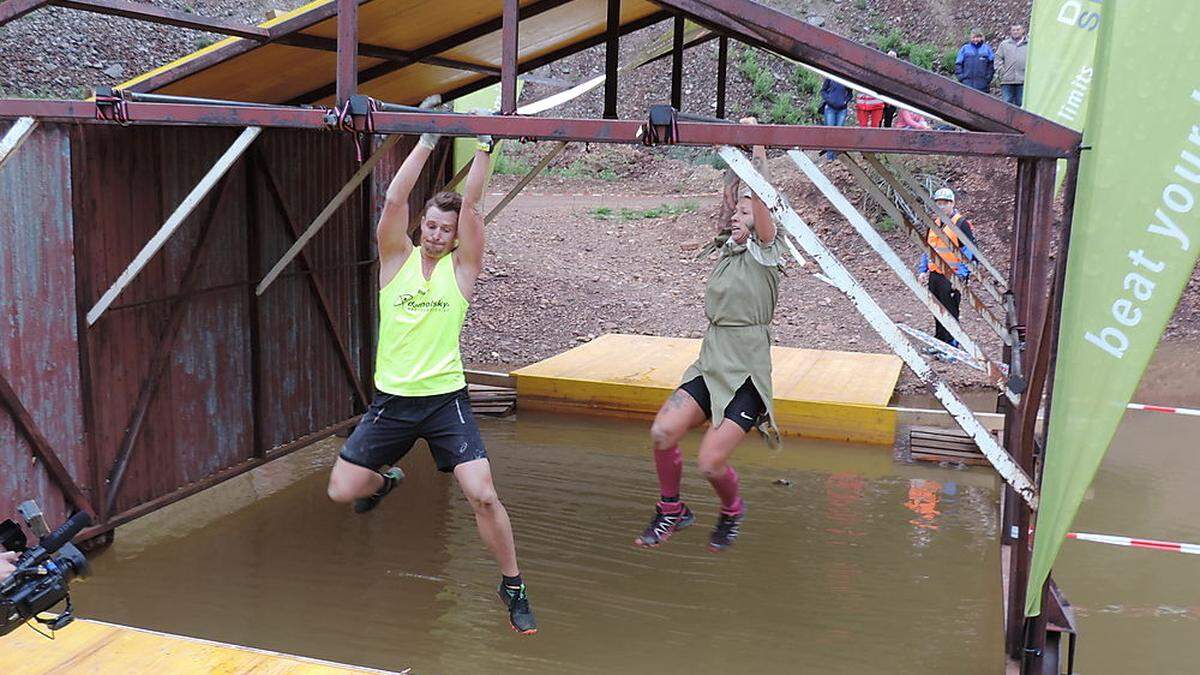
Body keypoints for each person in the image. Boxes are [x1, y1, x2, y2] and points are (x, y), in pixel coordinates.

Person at [325, 125, 537, 635]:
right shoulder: (394, 261)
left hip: (445, 402)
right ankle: (389, 477)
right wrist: (424, 139)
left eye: (448, 228)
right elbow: (394, 198)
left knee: (482, 492)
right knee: (342, 489)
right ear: (421, 226)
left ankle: (513, 585)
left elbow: (476, 207)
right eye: (432, 226)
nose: (438, 235)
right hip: (393, 402)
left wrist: (485, 144)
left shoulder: (461, 270)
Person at [634, 117, 781, 553]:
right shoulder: (727, 247)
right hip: (711, 360)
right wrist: (733, 150)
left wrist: (756, 148)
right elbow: (731, 195)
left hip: (747, 370)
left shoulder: (766, 252)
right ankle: (671, 510)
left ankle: (732, 510)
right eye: (735, 210)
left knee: (711, 463)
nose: (738, 215)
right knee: (662, 433)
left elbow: (761, 200)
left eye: (745, 212)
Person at [916, 188, 976, 347]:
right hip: (935, 275)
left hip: (952, 276)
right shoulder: (933, 224)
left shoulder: (961, 224)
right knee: (937, 311)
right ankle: (940, 343)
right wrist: (923, 271)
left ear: (952, 203)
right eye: (939, 203)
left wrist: (961, 276)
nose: (942, 207)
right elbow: (927, 249)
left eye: (945, 203)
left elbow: (969, 252)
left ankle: (952, 346)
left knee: (950, 312)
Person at [995, 24, 1028, 106]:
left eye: (1018, 29)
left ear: (1023, 30)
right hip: (1007, 81)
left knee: (1021, 104)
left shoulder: (1029, 44)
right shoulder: (1004, 44)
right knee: (1006, 104)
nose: (1015, 32)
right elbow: (997, 58)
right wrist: (1001, 72)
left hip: (1023, 81)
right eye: (1013, 30)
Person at [819, 77, 852, 160]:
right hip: (830, 108)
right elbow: (823, 91)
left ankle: (837, 157)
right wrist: (829, 100)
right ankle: (830, 157)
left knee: (839, 132)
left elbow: (850, 93)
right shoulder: (829, 78)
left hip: (842, 109)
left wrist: (845, 101)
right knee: (830, 132)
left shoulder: (846, 79)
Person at [881, 51, 900, 128]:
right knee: (879, 119)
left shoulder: (898, 70)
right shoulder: (883, 67)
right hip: (881, 97)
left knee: (888, 120)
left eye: (893, 56)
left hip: (892, 98)